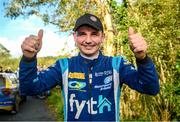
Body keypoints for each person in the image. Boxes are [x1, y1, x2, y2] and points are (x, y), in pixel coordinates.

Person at [19, 13, 159, 121]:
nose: (88, 40)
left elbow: (150, 88)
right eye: (82, 34)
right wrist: (28, 58)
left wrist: (142, 58)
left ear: (102, 37)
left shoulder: (117, 65)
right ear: (74, 37)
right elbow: (29, 89)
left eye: (94, 34)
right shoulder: (63, 66)